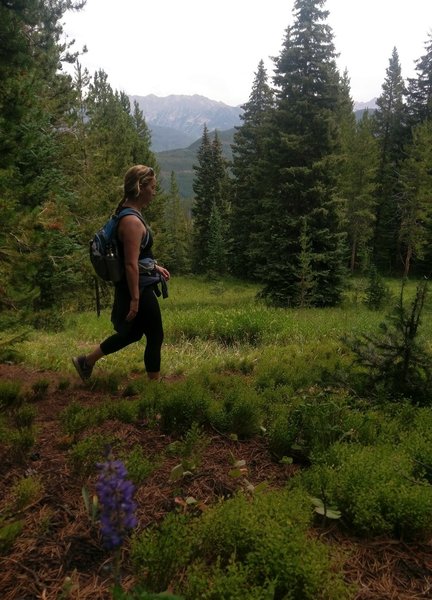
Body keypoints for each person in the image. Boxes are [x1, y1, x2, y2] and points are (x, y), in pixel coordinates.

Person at [72, 165, 170, 382]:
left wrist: (154, 267)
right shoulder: (132, 222)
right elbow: (130, 264)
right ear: (140, 188)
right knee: (155, 335)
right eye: (152, 187)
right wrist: (135, 299)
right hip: (137, 288)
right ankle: (154, 388)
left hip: (133, 284)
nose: (154, 192)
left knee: (132, 333)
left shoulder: (126, 213)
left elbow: (136, 256)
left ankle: (85, 362)